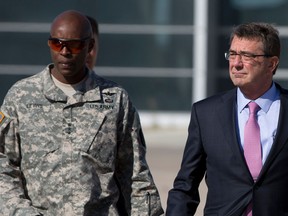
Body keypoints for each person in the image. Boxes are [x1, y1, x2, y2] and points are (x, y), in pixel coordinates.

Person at [0, 10, 163, 216]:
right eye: (57, 44)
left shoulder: (114, 100)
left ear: (90, 47)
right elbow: (3, 166)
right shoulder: (21, 96)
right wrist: (21, 212)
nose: (65, 52)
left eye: (74, 45)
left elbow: (135, 176)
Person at [166, 22, 287, 215]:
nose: (236, 63)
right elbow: (185, 186)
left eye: (247, 56)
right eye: (232, 54)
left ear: (271, 63)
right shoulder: (205, 113)